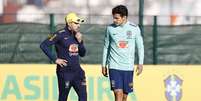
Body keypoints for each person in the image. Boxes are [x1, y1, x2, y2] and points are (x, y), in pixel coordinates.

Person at [40, 12, 87, 101]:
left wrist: (80, 42)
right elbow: (43, 45)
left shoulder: (77, 35)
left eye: (79, 23)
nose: (79, 25)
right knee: (63, 98)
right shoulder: (60, 34)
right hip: (65, 73)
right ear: (69, 23)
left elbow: (83, 54)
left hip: (78, 72)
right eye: (76, 23)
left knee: (83, 97)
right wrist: (55, 59)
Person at [101, 5, 144, 101]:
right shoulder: (110, 29)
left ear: (124, 17)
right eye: (113, 18)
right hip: (114, 66)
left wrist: (140, 63)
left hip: (128, 67)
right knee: (118, 93)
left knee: (124, 96)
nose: (114, 20)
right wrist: (104, 65)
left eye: (117, 18)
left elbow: (140, 47)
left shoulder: (134, 28)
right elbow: (106, 47)